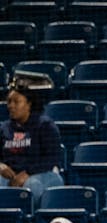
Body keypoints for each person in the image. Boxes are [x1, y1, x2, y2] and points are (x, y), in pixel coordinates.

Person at [0, 78, 64, 210]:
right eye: (9, 102)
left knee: (31, 185)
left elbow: (52, 158)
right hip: (10, 176)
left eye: (16, 102)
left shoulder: (45, 125)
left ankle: (31, 222)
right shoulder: (4, 128)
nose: (11, 106)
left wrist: (28, 173)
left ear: (29, 104)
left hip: (43, 173)